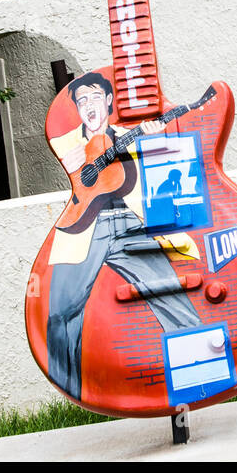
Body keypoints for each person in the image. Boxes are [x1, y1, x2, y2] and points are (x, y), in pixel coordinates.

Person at [44, 72, 201, 400]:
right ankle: (73, 393)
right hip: (83, 228)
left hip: (131, 224)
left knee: (174, 298)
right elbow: (74, 165)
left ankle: (201, 380)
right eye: (81, 100)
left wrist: (156, 138)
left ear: (109, 102)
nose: (89, 105)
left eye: (95, 97)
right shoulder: (67, 143)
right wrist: (80, 155)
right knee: (58, 312)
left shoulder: (132, 135)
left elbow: (167, 171)